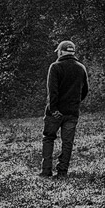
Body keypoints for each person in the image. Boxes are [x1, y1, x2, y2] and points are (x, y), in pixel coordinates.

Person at [41, 40, 89, 177]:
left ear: (61, 52)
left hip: (55, 112)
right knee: (67, 142)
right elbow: (85, 90)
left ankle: (46, 170)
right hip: (72, 112)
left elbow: (52, 91)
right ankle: (62, 172)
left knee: (48, 138)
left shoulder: (55, 67)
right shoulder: (81, 68)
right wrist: (75, 103)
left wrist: (53, 109)